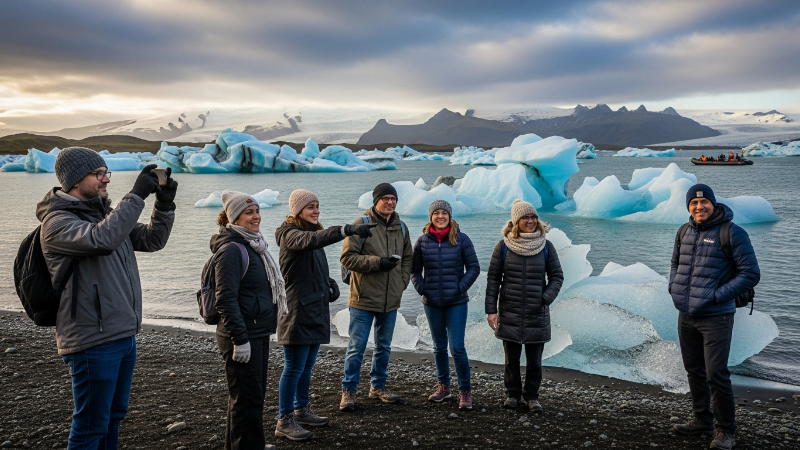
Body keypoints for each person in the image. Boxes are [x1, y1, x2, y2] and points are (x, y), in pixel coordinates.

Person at [38, 147, 177, 449]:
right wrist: (137, 194)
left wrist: (164, 204)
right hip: (91, 339)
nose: (105, 180)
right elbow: (103, 239)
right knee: (90, 427)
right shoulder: (57, 223)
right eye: (98, 174)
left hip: (122, 333)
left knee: (113, 417)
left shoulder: (106, 216)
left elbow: (152, 240)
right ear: (75, 180)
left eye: (106, 173)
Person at [274, 190, 375, 440]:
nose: (315, 210)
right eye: (310, 207)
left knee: (306, 366)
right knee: (293, 368)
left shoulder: (310, 233)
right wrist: (346, 230)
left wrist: (327, 283)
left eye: (317, 206)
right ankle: (284, 419)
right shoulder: (291, 235)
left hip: (314, 308)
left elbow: (308, 264)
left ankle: (301, 408)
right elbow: (312, 242)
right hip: (296, 312)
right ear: (297, 210)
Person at [669, 184, 760, 450]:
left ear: (713, 203)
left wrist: (718, 296)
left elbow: (751, 273)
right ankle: (702, 420)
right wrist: (673, 287)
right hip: (686, 314)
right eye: (694, 204)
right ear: (689, 207)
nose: (700, 207)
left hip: (716, 316)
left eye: (704, 202)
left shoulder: (731, 232)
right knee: (694, 370)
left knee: (716, 374)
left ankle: (726, 431)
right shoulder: (683, 231)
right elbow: (675, 263)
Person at [212, 191, 287, 450]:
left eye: (256, 211)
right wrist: (240, 339)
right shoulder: (232, 250)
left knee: (248, 397)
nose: (256, 217)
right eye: (248, 212)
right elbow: (225, 299)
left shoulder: (253, 245)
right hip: (241, 335)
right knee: (247, 399)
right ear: (234, 217)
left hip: (256, 331)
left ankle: (246, 444)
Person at [339, 182, 413, 411]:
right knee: (356, 347)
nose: (390, 202)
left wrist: (402, 282)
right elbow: (347, 258)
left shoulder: (401, 227)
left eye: (393, 199)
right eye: (385, 198)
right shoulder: (360, 225)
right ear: (376, 200)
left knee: (383, 346)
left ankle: (377, 386)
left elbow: (408, 257)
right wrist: (378, 263)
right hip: (363, 298)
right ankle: (349, 391)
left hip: (390, 299)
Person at [485, 200, 563, 413]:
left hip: (536, 312)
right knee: (511, 359)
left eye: (533, 217)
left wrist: (545, 297)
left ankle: (531, 397)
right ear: (515, 221)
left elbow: (557, 276)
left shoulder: (546, 246)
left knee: (535, 361)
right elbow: (493, 279)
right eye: (525, 218)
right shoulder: (503, 246)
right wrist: (491, 310)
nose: (530, 221)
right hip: (510, 309)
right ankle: (512, 395)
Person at [411, 200, 480, 409]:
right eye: (436, 213)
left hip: (456, 302)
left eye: (444, 213)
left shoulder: (462, 239)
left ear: (450, 216)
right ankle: (444, 387)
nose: (440, 216)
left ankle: (465, 392)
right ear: (431, 217)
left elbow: (474, 268)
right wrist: (423, 288)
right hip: (432, 303)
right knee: (439, 346)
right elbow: (414, 270)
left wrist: (460, 288)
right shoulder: (422, 241)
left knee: (457, 347)